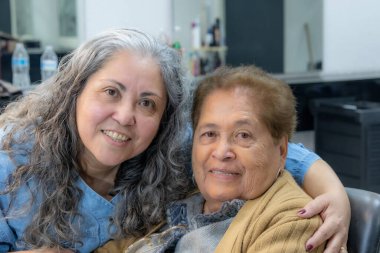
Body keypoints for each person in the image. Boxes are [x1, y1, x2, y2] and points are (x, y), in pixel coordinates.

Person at [0, 29, 348, 253]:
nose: (125, 116)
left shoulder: (176, 150)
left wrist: (336, 196)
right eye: (110, 92)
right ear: (73, 93)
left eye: (147, 103)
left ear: (165, 120)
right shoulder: (11, 160)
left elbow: (280, 153)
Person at [95, 66, 349, 253]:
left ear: (282, 151)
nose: (221, 151)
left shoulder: (291, 221)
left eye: (243, 135)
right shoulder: (185, 200)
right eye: (209, 134)